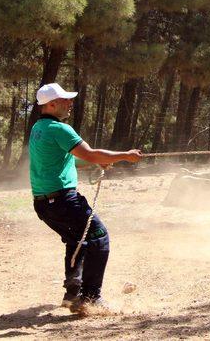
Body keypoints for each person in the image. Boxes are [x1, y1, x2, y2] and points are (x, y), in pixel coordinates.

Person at [29, 82, 142, 315]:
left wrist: (94, 161)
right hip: (63, 201)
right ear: (52, 104)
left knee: (78, 240)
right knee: (99, 238)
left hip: (44, 204)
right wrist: (125, 156)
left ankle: (73, 294)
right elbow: (89, 153)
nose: (70, 103)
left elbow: (67, 159)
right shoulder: (60, 129)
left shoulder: (39, 129)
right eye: (65, 100)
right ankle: (91, 298)